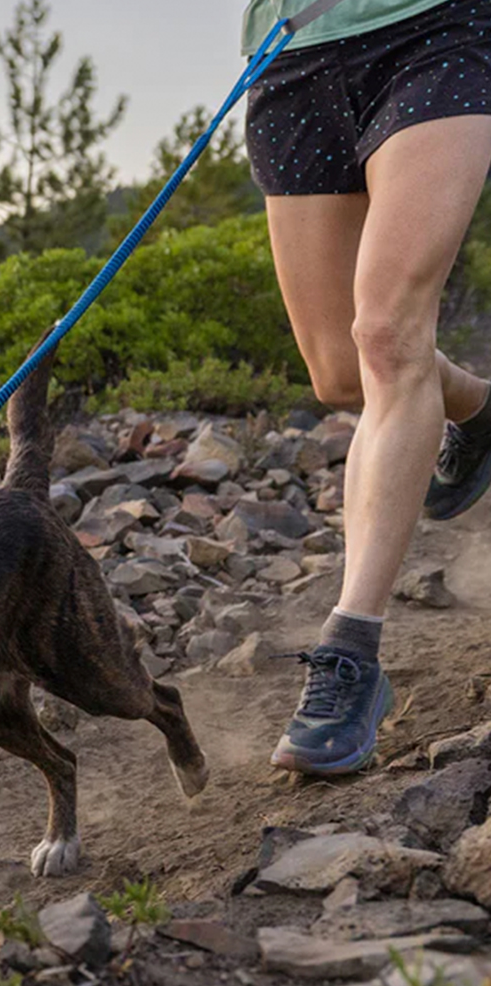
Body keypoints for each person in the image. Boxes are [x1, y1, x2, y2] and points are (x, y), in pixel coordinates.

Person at [241, 0, 491, 775]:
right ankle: (477, 405)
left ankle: (350, 651)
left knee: (386, 332)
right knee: (342, 373)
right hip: (292, 54)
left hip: (436, 30)